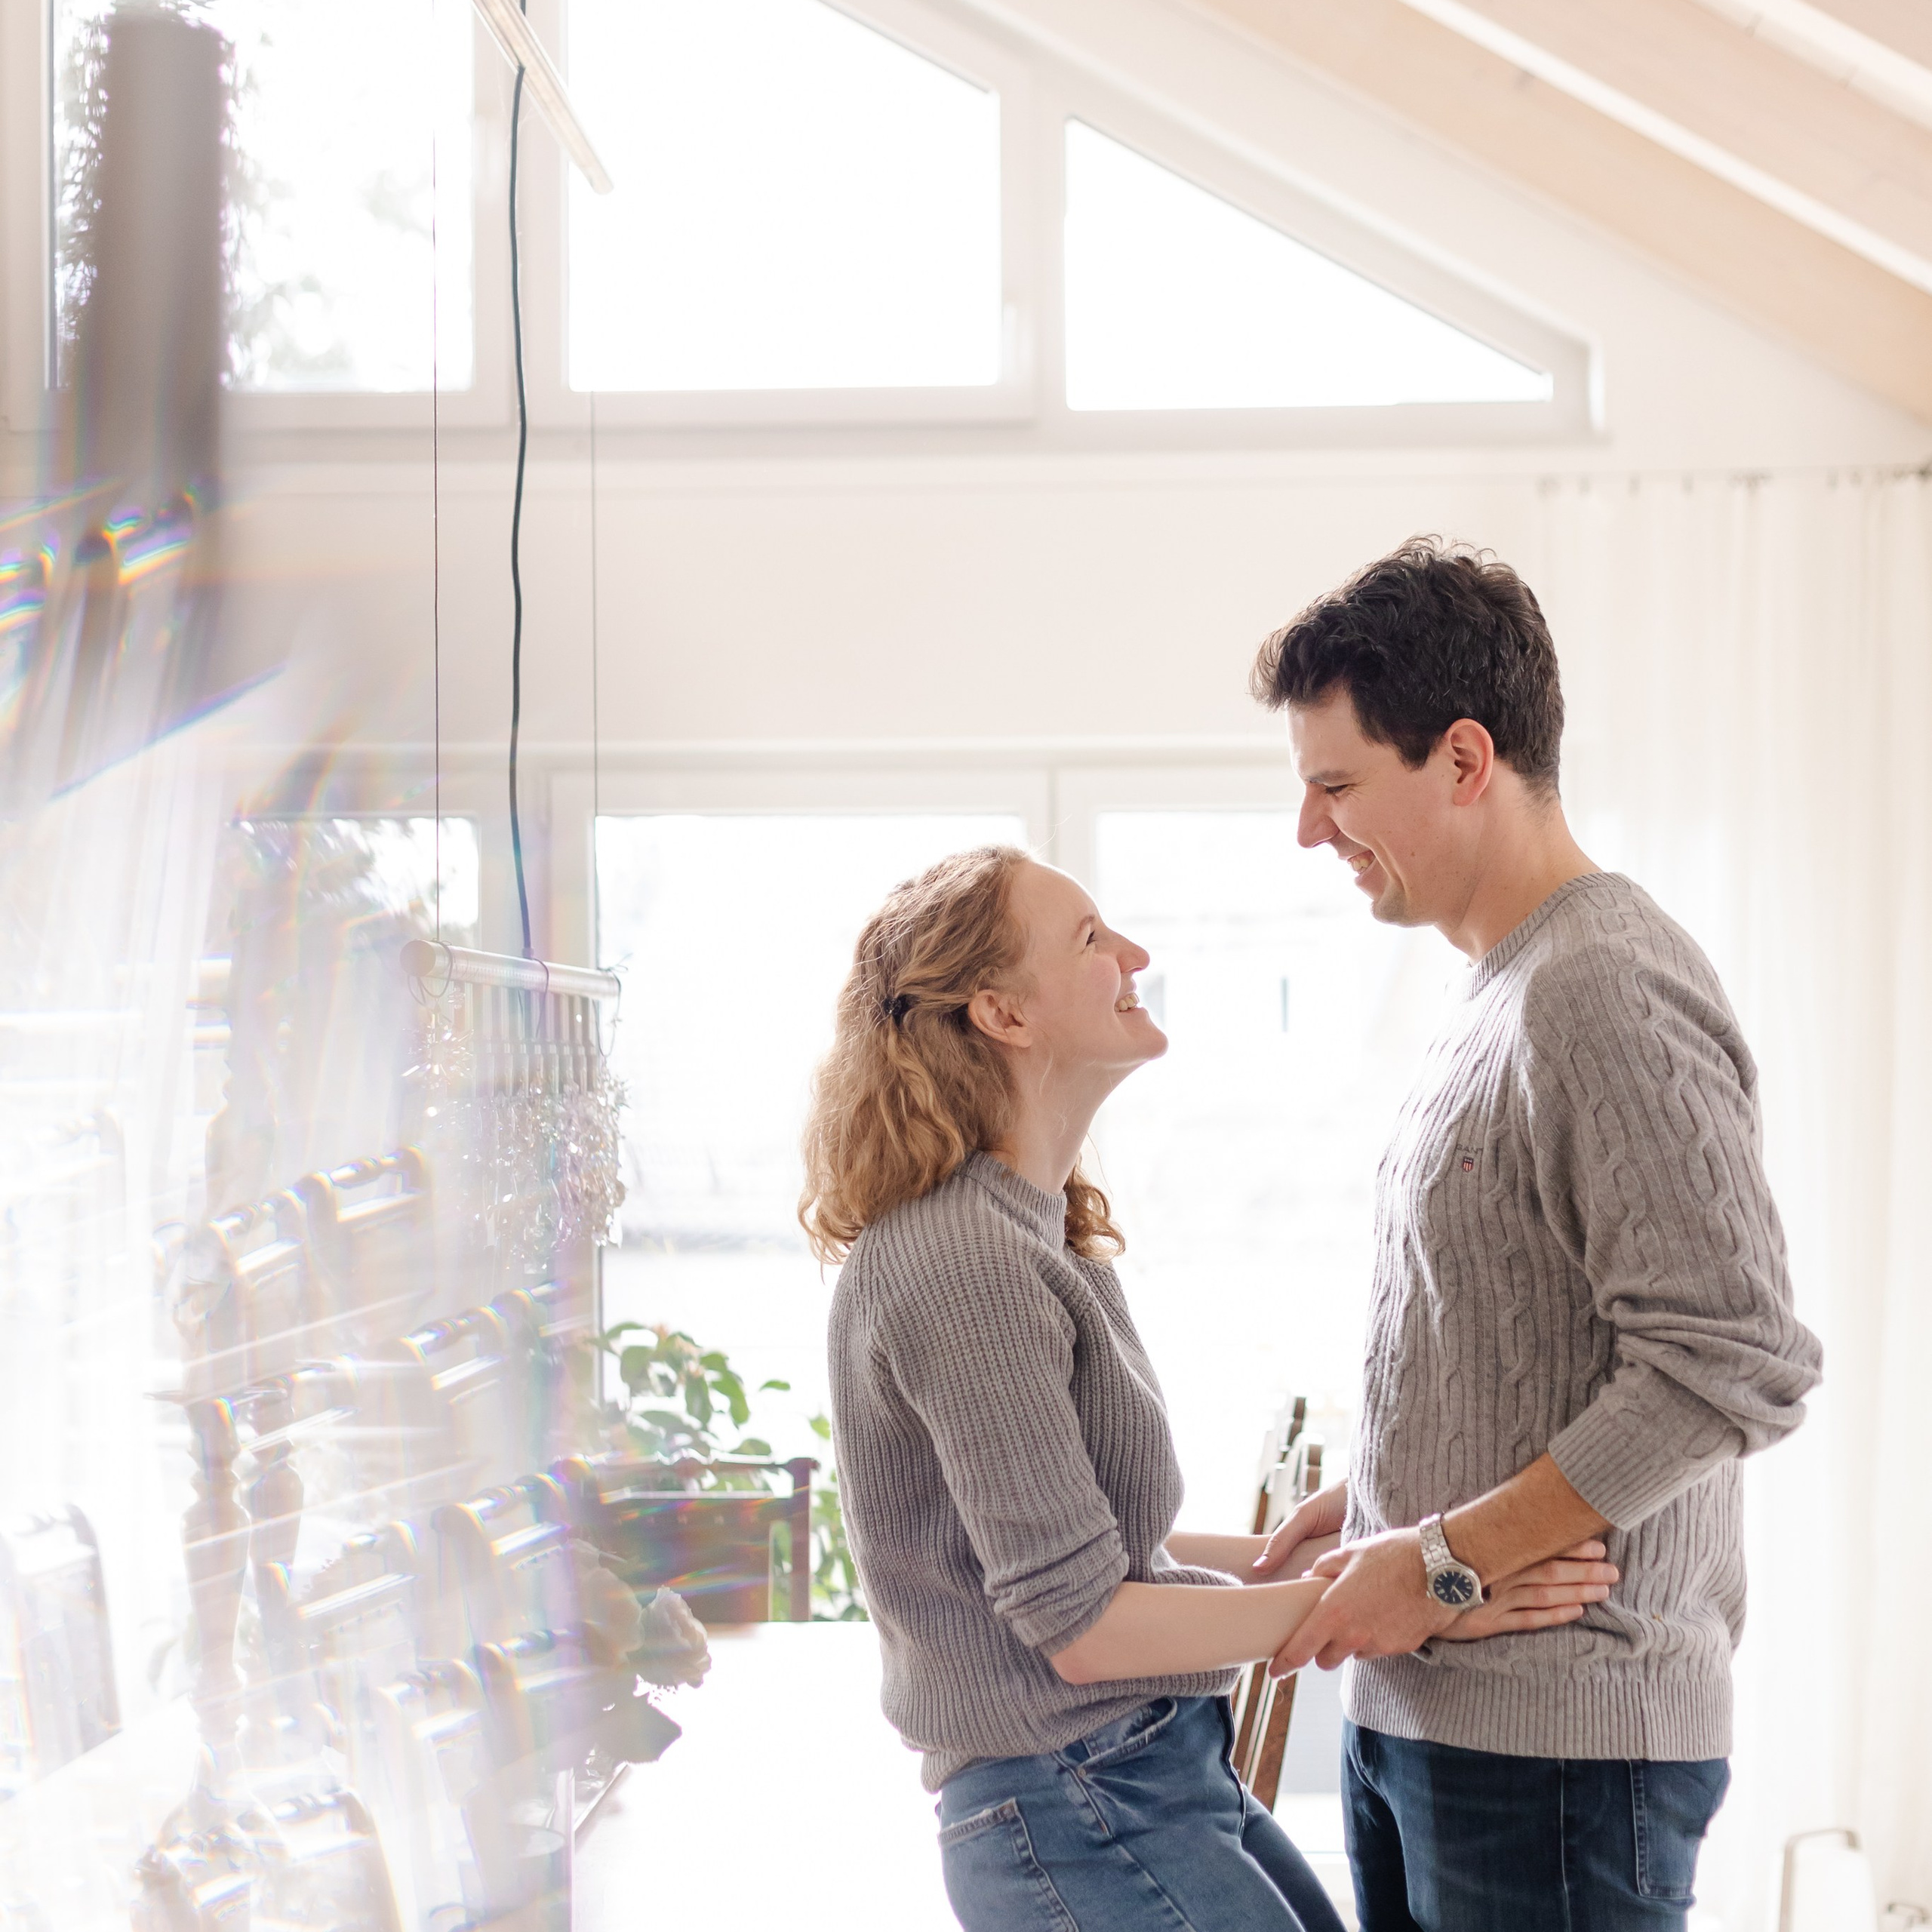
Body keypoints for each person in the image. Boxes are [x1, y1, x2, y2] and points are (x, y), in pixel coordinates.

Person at [804, 843, 1616, 1932]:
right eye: (1091, 938)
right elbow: (1085, 1627)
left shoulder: (1030, 1230)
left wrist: (1382, 1551)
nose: (1135, 953)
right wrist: (1410, 1598)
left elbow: (1101, 1557)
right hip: (1074, 1800)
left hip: (1137, 1774)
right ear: (1002, 1013)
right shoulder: (964, 1263)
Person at [1246, 539, 1825, 1930]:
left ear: (1461, 759)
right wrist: (1388, 1502)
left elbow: (1731, 1360)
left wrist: (1443, 1557)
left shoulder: (1598, 986)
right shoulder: (1501, 992)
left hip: (1553, 1746)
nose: (1310, 832)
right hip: (1445, 1722)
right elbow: (1515, 1334)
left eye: (1335, 787)